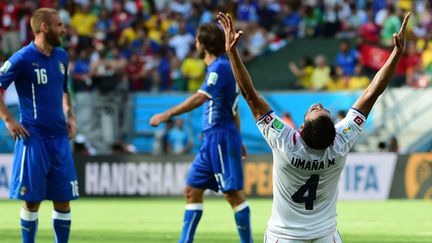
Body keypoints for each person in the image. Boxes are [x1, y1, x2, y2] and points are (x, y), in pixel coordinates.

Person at [217, 11, 411, 243]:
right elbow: (372, 92)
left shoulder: (287, 143)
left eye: (315, 109)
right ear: (335, 132)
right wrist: (397, 53)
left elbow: (250, 95)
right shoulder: (340, 143)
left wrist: (232, 53)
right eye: (322, 109)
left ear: (300, 130)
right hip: (325, 236)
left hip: (283, 236)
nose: (318, 104)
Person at [150, 22, 252, 243]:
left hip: (220, 135)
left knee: (232, 194)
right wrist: (239, 137)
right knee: (192, 189)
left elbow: (200, 97)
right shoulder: (222, 67)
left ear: (204, 44)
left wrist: (167, 114)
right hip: (214, 137)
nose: (194, 43)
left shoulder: (220, 67)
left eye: (197, 39)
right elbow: (233, 108)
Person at [0, 8, 78, 243]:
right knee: (32, 200)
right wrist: (9, 119)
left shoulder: (62, 56)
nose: (64, 30)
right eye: (59, 25)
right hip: (34, 140)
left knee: (63, 199)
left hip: (60, 140)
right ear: (44, 28)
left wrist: (70, 115)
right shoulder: (23, 58)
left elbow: (65, 90)